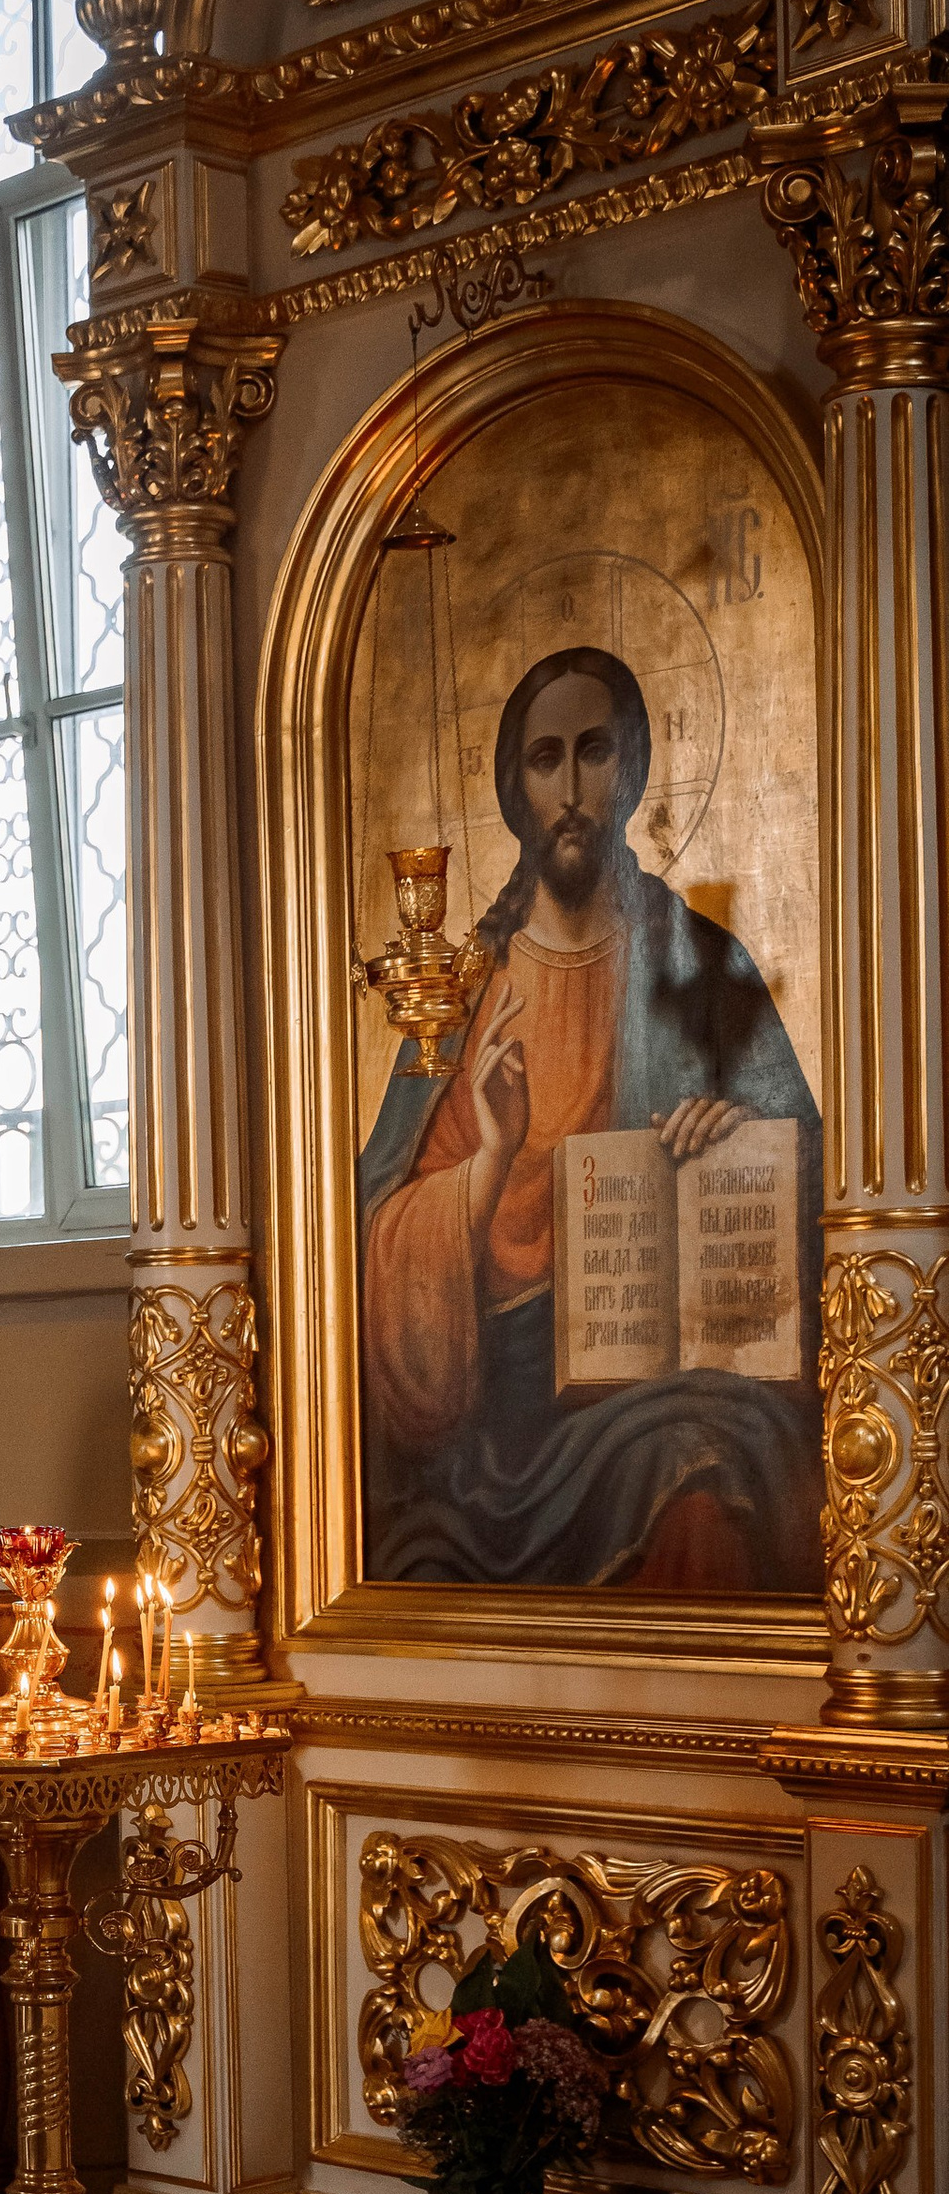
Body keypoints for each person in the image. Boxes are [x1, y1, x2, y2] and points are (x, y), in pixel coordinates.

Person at [358, 645, 820, 1589]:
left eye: (595, 751)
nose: (570, 787)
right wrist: (491, 1161)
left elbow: (808, 1175)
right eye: (544, 758)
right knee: (414, 1567)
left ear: (633, 769)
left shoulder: (698, 962)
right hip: (499, 1413)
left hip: (664, 1384)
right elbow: (377, 1234)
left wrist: (736, 1146)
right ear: (515, 788)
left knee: (703, 1491)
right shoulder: (463, 992)